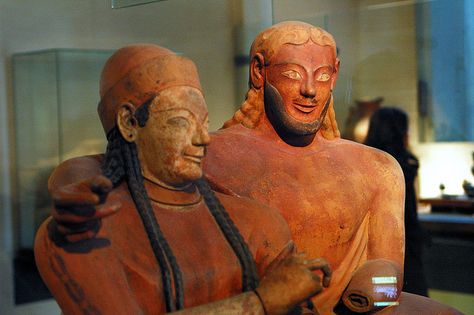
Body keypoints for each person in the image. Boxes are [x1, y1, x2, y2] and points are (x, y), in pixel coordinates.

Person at [45, 23, 461, 314]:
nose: (309, 90)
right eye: (294, 74)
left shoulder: (376, 168)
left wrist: (379, 289)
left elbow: (394, 284)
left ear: (335, 76)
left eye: (322, 75)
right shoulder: (214, 154)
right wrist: (73, 182)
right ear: (260, 72)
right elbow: (118, 163)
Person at [34, 44, 332, 315]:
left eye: (204, 122)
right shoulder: (84, 232)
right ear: (129, 123)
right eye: (180, 122)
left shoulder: (256, 222)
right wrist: (262, 302)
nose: (203, 139)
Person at [364, 107, 429, 297]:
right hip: (403, 244)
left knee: (383, 298)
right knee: (407, 298)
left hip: (373, 249)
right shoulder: (404, 166)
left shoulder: (365, 163)